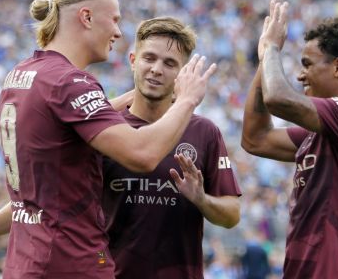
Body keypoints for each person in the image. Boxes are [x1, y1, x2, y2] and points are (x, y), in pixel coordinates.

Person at [0, 0, 216, 279]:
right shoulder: (71, 83)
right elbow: (143, 154)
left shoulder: (22, 75)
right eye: (114, 19)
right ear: (87, 17)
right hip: (70, 262)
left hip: (26, 261)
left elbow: (40, 197)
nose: (118, 32)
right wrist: (187, 99)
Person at [241, 0, 338, 278]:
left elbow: (277, 98)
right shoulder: (329, 133)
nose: (300, 74)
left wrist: (271, 48)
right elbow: (255, 139)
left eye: (307, 64)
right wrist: (264, 62)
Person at [102, 16, 241, 278]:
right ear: (133, 60)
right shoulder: (106, 128)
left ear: (183, 73)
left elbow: (231, 215)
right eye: (149, 58)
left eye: (169, 63)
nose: (156, 69)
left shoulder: (204, 132)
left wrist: (202, 199)